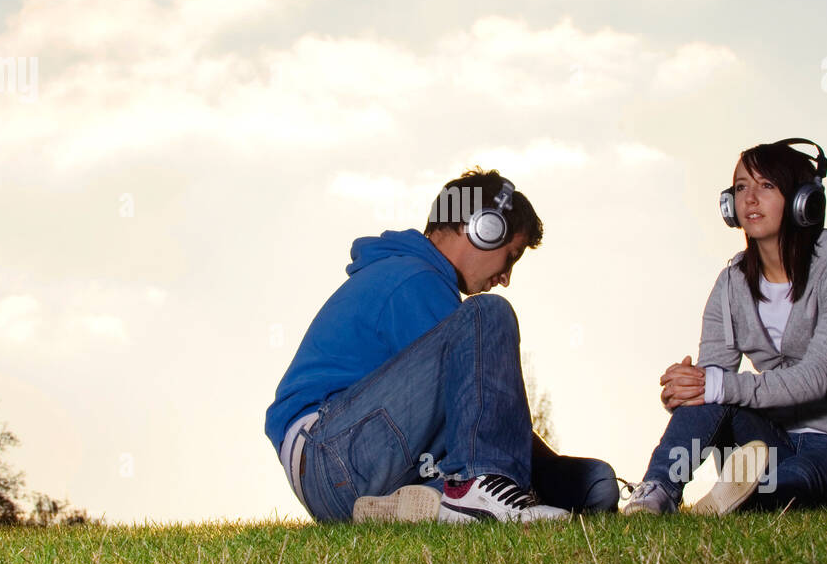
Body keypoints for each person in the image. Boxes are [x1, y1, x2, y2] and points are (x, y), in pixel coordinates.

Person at [265, 166, 620, 523]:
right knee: (488, 314)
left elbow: (480, 414)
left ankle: (419, 506)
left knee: (596, 483)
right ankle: (480, 490)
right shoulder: (413, 278)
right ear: (483, 229)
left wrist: (560, 473)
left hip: (355, 465)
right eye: (510, 257)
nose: (506, 277)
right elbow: (480, 409)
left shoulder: (418, 278)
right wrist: (543, 468)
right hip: (333, 455)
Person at [624, 138, 827, 517]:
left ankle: (753, 498)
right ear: (728, 204)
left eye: (767, 186)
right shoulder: (731, 282)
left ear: (804, 201)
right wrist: (685, 392)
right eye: (740, 187)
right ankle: (657, 492)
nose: (750, 198)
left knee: (797, 475)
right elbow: (713, 380)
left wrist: (711, 384)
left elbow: (818, 377)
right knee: (709, 389)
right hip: (769, 440)